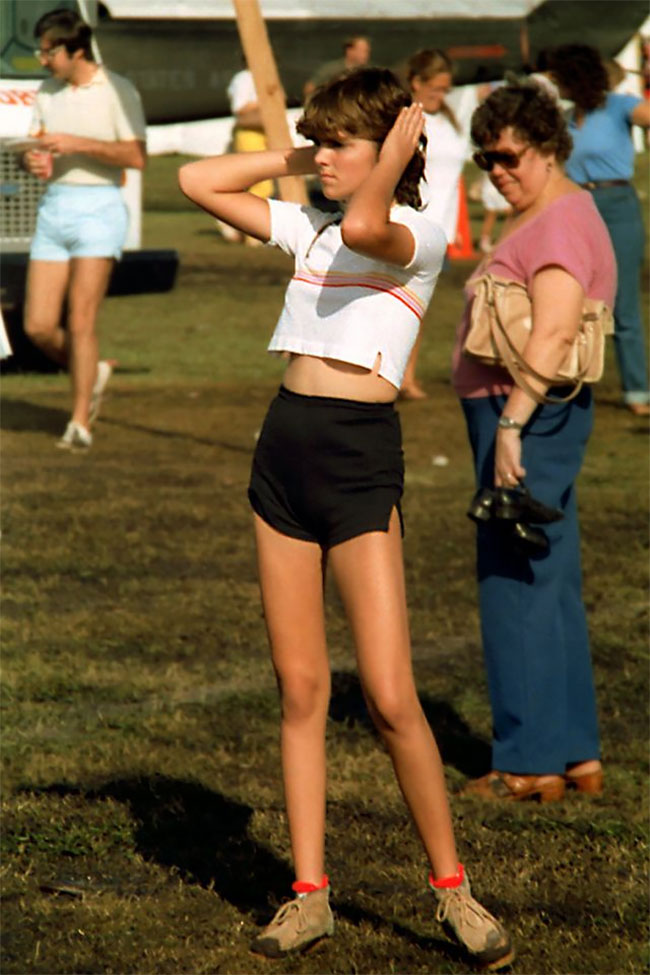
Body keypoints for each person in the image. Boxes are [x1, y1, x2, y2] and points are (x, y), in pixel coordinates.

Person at [179, 67, 513, 970]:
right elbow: (196, 183)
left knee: (390, 694)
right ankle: (309, 896)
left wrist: (394, 156)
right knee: (300, 690)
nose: (321, 158)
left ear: (393, 150)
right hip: (282, 453)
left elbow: (370, 222)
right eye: (317, 143)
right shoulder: (313, 230)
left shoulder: (419, 235)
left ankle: (452, 892)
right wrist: (300, 155)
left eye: (339, 143)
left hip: (361, 462)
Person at [452, 82, 616, 802]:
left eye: (510, 156)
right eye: (485, 159)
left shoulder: (554, 226)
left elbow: (551, 329)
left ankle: (527, 762)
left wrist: (512, 426)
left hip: (523, 414)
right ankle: (574, 751)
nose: (498, 171)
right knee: (550, 585)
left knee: (513, 583)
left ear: (549, 148)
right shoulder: (568, 212)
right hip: (544, 414)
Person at [21, 7, 146, 450]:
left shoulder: (116, 89)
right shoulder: (48, 91)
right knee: (37, 325)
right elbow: (34, 145)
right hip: (55, 208)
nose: (43, 59)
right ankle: (94, 371)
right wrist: (33, 159)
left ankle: (79, 424)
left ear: (76, 50)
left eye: (49, 51)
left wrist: (77, 145)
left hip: (99, 209)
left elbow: (136, 156)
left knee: (81, 322)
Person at [548, 44, 650, 417]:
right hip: (574, 209)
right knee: (569, 297)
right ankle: (568, 378)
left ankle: (637, 390)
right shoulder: (561, 117)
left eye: (557, 78)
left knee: (622, 304)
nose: (552, 83)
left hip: (617, 205)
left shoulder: (620, 106)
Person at [399, 49, 468, 400]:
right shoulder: (406, 119)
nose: (440, 95)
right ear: (416, 82)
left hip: (440, 228)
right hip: (410, 224)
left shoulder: (450, 122)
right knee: (400, 303)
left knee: (417, 307)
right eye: (435, 88)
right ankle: (398, 375)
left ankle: (406, 375)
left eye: (445, 89)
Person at [220, 62, 273, 246]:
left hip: (264, 133)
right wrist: (266, 102)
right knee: (260, 185)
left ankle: (237, 227)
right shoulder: (244, 78)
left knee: (262, 185)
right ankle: (252, 235)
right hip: (249, 133)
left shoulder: (265, 77)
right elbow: (239, 108)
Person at [303, 35, 371, 101]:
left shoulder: (369, 72)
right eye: (363, 51)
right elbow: (310, 88)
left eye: (367, 51)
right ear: (349, 51)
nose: (366, 54)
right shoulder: (331, 69)